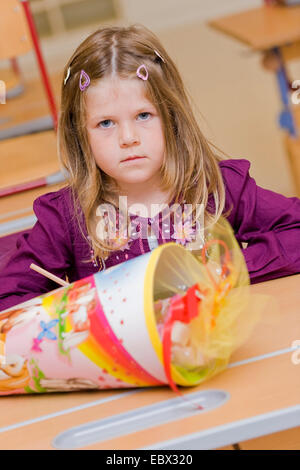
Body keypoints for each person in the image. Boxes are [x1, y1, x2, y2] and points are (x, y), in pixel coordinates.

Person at [0, 24, 300, 312]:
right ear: (80, 134)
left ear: (170, 117)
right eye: (105, 123)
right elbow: (9, 296)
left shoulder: (217, 187)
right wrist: (73, 311)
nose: (128, 138)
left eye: (143, 115)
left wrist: (223, 271)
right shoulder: (66, 217)